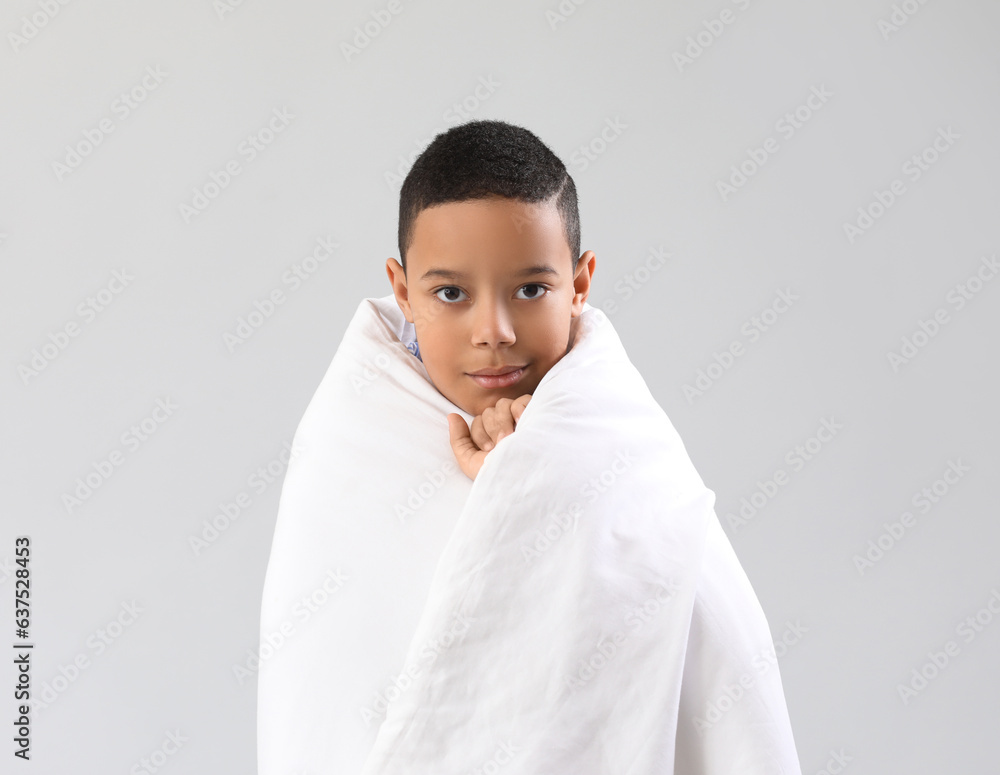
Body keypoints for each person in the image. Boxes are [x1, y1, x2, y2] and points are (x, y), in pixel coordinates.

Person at [385, 119, 595, 480]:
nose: (493, 333)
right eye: (451, 293)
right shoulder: (352, 436)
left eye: (531, 289)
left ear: (578, 287)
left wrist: (521, 481)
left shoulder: (618, 427)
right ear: (404, 294)